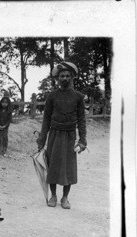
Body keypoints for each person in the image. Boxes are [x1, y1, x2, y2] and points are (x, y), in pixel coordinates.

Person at [36, 62, 87, 209]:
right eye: (62, 76)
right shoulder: (52, 96)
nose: (64, 78)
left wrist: (82, 140)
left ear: (72, 78)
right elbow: (46, 119)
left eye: (67, 76)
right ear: (57, 78)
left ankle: (65, 198)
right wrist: (42, 139)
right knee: (52, 165)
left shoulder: (78, 97)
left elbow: (82, 120)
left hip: (70, 135)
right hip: (54, 134)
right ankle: (53, 196)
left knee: (68, 167)